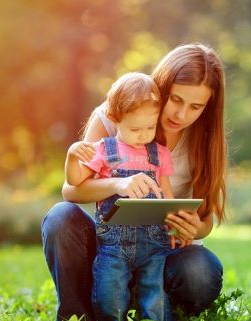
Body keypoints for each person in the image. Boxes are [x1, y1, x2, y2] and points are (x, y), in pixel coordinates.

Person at [42, 43, 227, 321]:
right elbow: (71, 190)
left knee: (201, 271)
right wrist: (116, 185)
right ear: (160, 89)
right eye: (175, 100)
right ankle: (79, 315)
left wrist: (194, 228)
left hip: (161, 252)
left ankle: (156, 308)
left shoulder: (206, 139)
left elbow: (206, 221)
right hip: (110, 249)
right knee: (60, 218)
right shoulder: (115, 115)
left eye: (195, 107)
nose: (181, 115)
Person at [65, 72, 174, 321]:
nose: (144, 135)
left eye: (150, 127)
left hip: (154, 243)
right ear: (114, 119)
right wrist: (72, 155)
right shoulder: (104, 149)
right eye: (135, 128)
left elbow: (166, 195)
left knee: (155, 297)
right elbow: (74, 181)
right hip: (114, 245)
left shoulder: (160, 153)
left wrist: (175, 227)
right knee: (109, 297)